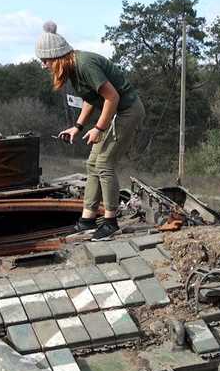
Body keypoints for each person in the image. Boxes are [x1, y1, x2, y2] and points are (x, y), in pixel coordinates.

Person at [36, 21, 145, 240]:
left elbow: (112, 97)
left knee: (104, 163)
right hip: (115, 112)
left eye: (45, 61)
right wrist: (77, 127)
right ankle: (87, 219)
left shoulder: (84, 65)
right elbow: (90, 99)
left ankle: (111, 222)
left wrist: (98, 128)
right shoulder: (73, 69)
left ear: (56, 57)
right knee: (92, 163)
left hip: (128, 111)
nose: (44, 66)